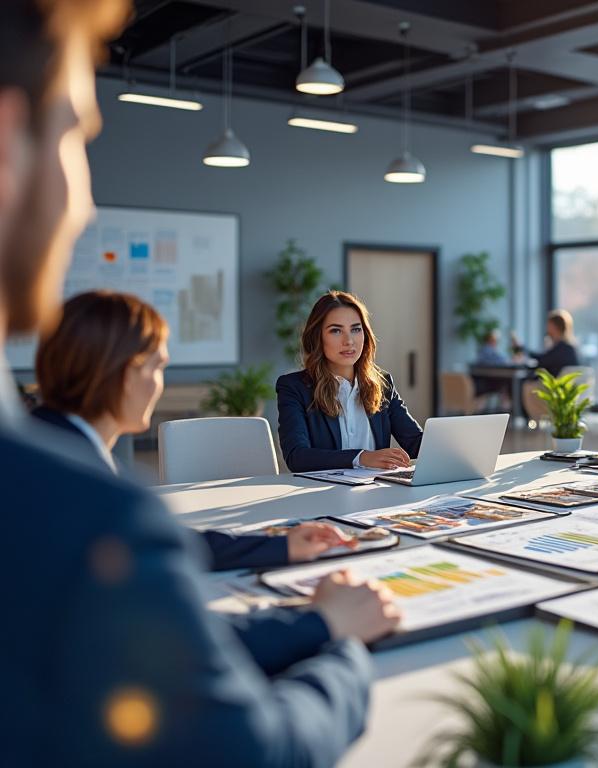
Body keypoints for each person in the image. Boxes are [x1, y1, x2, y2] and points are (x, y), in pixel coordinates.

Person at [0, 2, 399, 765]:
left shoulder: (57, 501)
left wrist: (298, 594)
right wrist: (341, 646)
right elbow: (252, 749)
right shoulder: (80, 510)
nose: (81, 203)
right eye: (79, 137)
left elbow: (157, 645)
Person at [32, 290, 350, 570]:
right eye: (158, 367)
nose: (160, 383)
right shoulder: (89, 484)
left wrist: (283, 546)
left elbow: (169, 541)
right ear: (129, 375)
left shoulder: (48, 446)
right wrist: (325, 622)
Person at [277, 290, 423, 472]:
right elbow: (297, 457)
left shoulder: (383, 384)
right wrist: (362, 457)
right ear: (318, 337)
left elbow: (416, 443)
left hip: (379, 493)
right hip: (321, 495)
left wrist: (456, 448)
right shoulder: (294, 387)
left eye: (355, 329)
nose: (349, 341)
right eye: (336, 331)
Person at [512, 308, 580, 376]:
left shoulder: (562, 348)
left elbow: (542, 361)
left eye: (548, 324)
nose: (547, 328)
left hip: (554, 385)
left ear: (554, 327)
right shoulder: (569, 347)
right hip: (564, 384)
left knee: (525, 383)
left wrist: (521, 348)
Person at [472, 328, 512, 403]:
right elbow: (501, 361)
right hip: (485, 381)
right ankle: (509, 407)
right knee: (507, 382)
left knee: (506, 382)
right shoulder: (487, 350)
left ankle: (506, 406)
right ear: (491, 339)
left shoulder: (485, 349)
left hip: (482, 380)